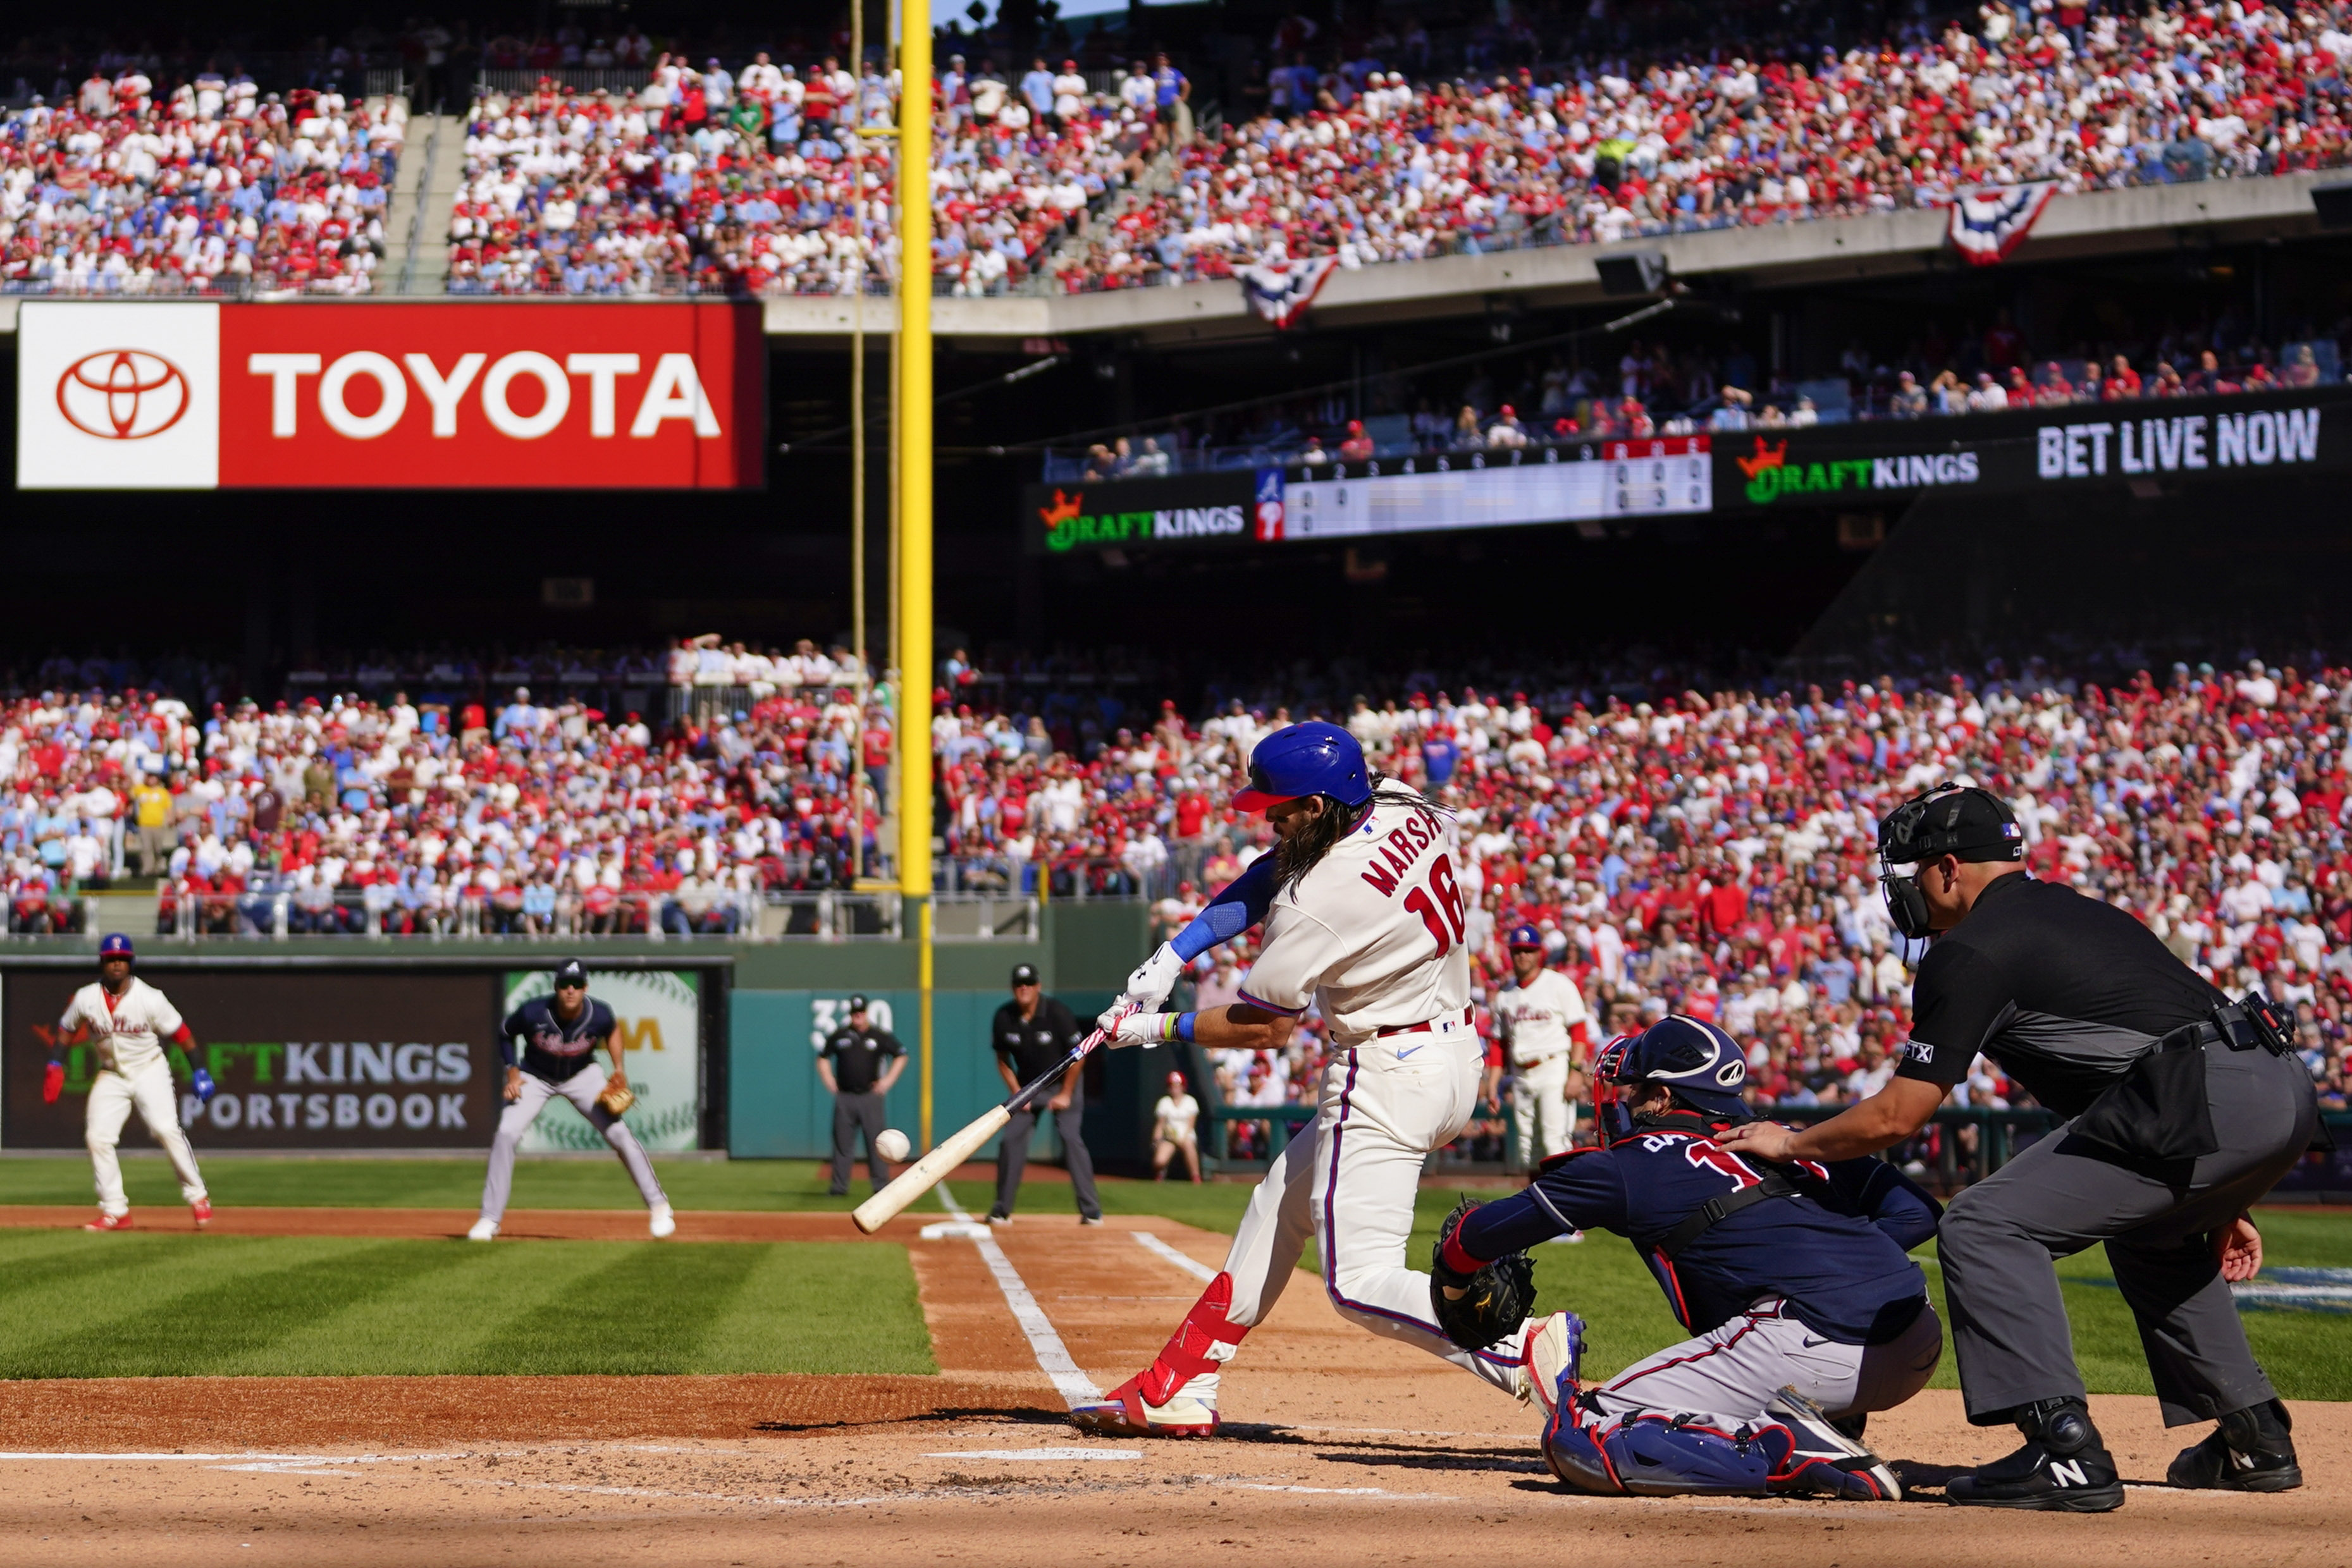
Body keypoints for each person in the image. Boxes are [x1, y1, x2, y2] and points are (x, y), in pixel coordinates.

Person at [1720, 783, 2322, 1510]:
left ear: (1946, 868)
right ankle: (2252, 1439)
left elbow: (1894, 1116)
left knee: (1981, 1223)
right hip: (2273, 1084)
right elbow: (2148, 1044)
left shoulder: (1968, 950)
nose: (1903, 892)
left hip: (2199, 1097)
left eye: (1907, 874)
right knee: (2151, 1235)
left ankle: (2062, 1449)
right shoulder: (2074, 908)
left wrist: (1789, 1141)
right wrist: (2223, 1192)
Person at [1070, 721, 1544, 1439]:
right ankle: (1182, 1380)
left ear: (1320, 805)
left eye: (1281, 806)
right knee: (1278, 1205)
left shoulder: (1319, 900)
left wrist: (1148, 1028)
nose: (1268, 817)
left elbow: (1266, 1027)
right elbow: (1274, 867)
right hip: (1450, 1054)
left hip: (1383, 1071)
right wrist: (1174, 952)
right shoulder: (1397, 801)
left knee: (1358, 1282)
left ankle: (1520, 1347)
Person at [1438, 1016, 1942, 1500]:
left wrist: (1451, 1279)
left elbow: (1477, 1236)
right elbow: (1918, 1213)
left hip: (1812, 1345)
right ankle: (1815, 1419)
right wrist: (1844, 1265)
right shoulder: (1789, 1140)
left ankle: (1786, 1449)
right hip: (1916, 1337)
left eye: (1633, 1090)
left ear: (1660, 1096)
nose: (1623, 1102)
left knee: (1580, 1433)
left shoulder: (1631, 1163)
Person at [471, 960, 674, 1241]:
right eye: (565, 984)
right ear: (555, 987)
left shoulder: (599, 1014)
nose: (570, 990)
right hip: (535, 1076)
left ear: (585, 988)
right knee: (506, 1133)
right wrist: (513, 1073)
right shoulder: (533, 1011)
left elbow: (612, 1031)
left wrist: (618, 1069)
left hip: (582, 1076)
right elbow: (505, 1033)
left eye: (576, 985)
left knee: (619, 1134)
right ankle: (489, 1219)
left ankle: (659, 1205)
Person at [54, 934, 214, 1230]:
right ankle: (115, 1211)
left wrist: (200, 1070)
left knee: (165, 1129)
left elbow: (182, 1034)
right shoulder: (86, 997)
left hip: (149, 1069)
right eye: (112, 959)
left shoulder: (150, 997)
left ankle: (198, 1196)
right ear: (103, 962)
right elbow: (66, 1027)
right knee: (98, 1138)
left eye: (123, 959)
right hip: (111, 1073)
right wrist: (55, 1063)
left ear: (131, 962)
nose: (117, 964)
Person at [988, 964, 1102, 1225]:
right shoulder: (1004, 1017)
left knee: (1070, 1138)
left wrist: (1066, 1093)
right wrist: (1017, 1094)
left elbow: (1080, 1056)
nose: (1023, 989)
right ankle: (1001, 1209)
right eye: (1019, 984)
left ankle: (1091, 1210)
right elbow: (1002, 1059)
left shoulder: (1057, 1013)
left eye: (1028, 984)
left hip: (1064, 1081)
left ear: (1038, 987)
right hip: (1029, 1086)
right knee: (1010, 1141)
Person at [1488, 922, 1593, 1171]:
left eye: (1529, 950)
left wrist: (1576, 1072)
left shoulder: (1558, 984)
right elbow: (1498, 1044)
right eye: (1518, 950)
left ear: (1539, 953)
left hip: (1552, 1067)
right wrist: (1492, 1086)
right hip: (1521, 1074)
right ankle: (1538, 1206)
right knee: (1527, 1149)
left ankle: (1564, 1205)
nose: (1523, 955)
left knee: (1554, 1142)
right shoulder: (1505, 996)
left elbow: (1579, 1030)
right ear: (1511, 954)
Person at [818, 995, 906, 1197]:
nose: (858, 1016)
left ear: (866, 1013)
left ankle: (881, 1187)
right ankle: (839, 1188)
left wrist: (887, 1081)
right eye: (854, 1013)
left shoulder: (878, 1035)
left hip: (870, 1097)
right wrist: (828, 1079)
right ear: (850, 1014)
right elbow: (823, 1057)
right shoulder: (840, 1036)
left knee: (877, 1144)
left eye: (861, 1012)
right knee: (842, 1144)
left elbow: (901, 1054)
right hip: (845, 1097)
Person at [1152, 1068, 1202, 1182]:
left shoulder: (1190, 1101)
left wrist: (1182, 1139)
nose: (1175, 1089)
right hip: (1169, 1138)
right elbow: (1161, 1124)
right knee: (1159, 1161)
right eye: (1172, 1086)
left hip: (1186, 1137)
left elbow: (1191, 1125)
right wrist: (1156, 1139)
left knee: (1189, 1146)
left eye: (1177, 1085)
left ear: (1183, 1087)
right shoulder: (1164, 1102)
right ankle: (1159, 1174)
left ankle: (1196, 1177)